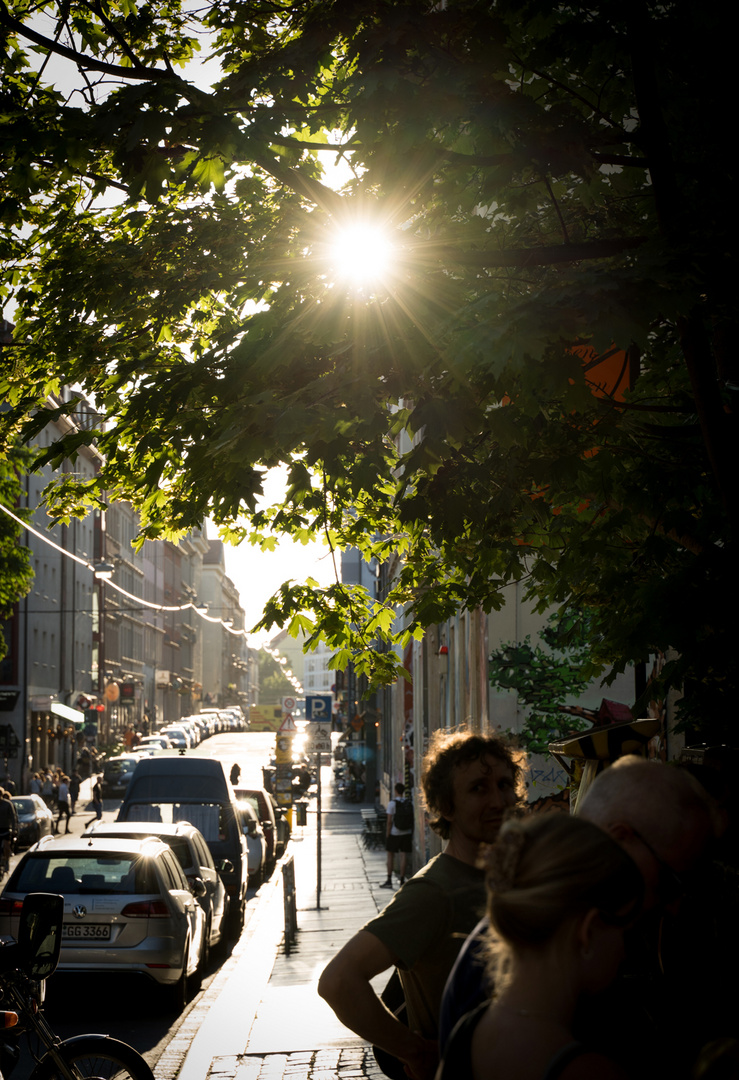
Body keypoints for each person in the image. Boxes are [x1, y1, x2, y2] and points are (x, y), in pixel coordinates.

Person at [439, 755, 716, 1075]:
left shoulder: (485, 1015)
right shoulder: (529, 986)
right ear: (621, 840)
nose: (675, 905)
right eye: (671, 881)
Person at [318, 729, 523, 1080]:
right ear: (445, 806)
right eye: (478, 788)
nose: (498, 800)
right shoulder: (434, 892)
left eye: (505, 784)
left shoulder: (513, 875)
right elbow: (338, 981)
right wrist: (416, 1052)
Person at [437, 814, 643, 1080]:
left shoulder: (468, 1031)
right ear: (588, 932)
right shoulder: (589, 1071)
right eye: (626, 932)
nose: (625, 951)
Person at [381, 782, 413, 888]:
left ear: (395, 791)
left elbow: (389, 821)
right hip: (406, 833)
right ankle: (402, 880)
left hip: (395, 833)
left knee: (390, 855)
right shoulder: (408, 803)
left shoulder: (392, 804)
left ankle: (389, 880)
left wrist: (387, 833)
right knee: (403, 855)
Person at [0, 789, 18, 871]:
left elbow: (13, 817)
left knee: (7, 846)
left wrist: (14, 829)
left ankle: (6, 861)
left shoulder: (7, 804)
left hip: (6, 828)